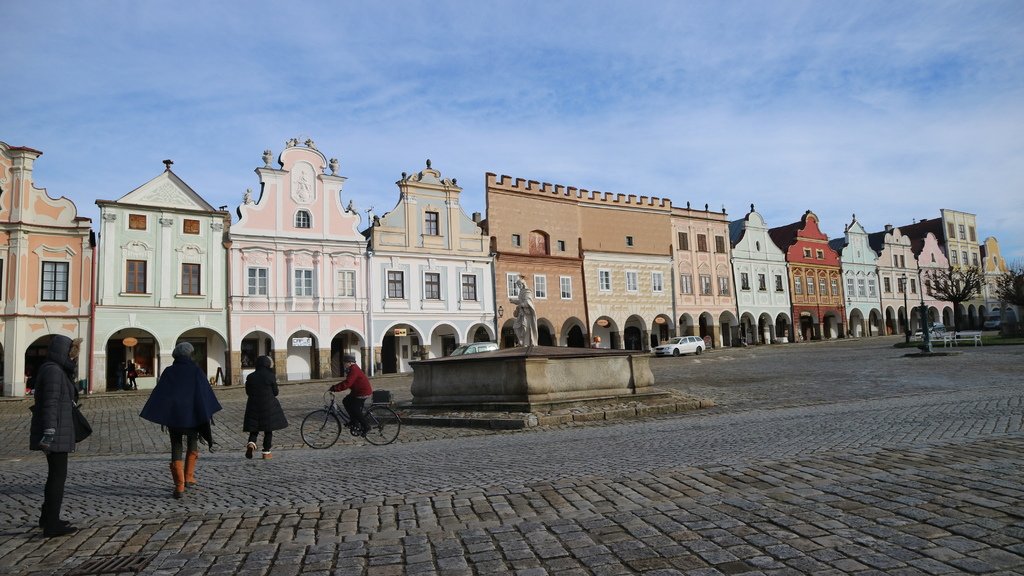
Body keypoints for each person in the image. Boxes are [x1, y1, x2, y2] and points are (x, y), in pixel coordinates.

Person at [140, 342, 222, 499]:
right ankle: (189, 477)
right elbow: (205, 393)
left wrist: (164, 411)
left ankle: (180, 485)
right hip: (193, 415)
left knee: (176, 446)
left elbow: (161, 393)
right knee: (192, 442)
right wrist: (206, 411)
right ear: (189, 355)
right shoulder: (196, 371)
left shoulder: (169, 372)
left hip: (174, 417)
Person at [29, 336, 84, 537]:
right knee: (57, 477)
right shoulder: (53, 370)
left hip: (59, 428)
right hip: (56, 431)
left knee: (56, 475)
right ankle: (51, 524)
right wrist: (49, 431)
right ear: (63, 351)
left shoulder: (57, 369)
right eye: (72, 352)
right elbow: (50, 402)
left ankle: (47, 517)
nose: (74, 356)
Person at [243, 356, 288, 460]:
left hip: (253, 406)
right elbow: (275, 392)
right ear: (267, 364)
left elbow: (248, 392)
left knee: (254, 428)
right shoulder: (270, 376)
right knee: (268, 430)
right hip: (268, 406)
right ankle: (266, 452)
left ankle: (251, 443)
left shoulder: (250, 377)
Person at [329, 354, 372, 435]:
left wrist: (335, 388)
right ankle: (354, 422)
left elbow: (347, 383)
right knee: (346, 401)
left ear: (349, 362)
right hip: (357, 392)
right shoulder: (352, 369)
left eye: (344, 362)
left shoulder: (354, 369)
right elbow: (348, 382)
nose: (344, 364)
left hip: (362, 392)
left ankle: (366, 426)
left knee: (355, 408)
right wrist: (335, 387)